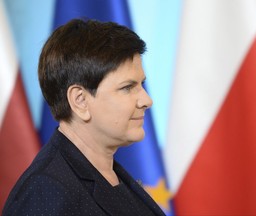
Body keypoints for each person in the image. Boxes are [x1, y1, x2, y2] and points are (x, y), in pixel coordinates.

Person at [2, 19, 165, 216]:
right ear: (80, 101)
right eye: (128, 87)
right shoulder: (45, 193)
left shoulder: (111, 176)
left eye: (141, 85)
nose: (146, 100)